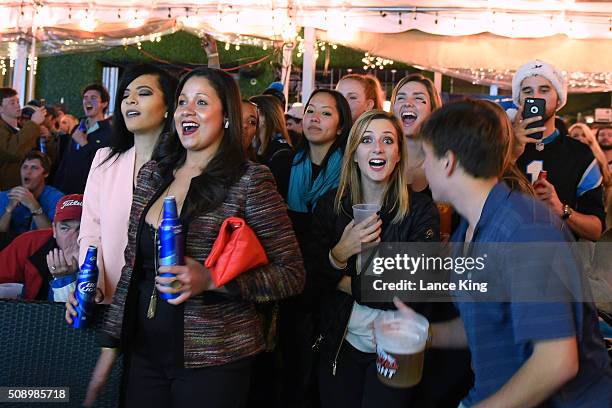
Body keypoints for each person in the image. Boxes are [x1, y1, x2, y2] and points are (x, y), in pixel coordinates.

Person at [80, 67, 304, 407]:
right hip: (145, 354)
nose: (188, 110)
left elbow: (291, 274)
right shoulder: (154, 174)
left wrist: (213, 279)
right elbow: (131, 270)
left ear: (226, 116)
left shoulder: (249, 181)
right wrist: (110, 347)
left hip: (215, 359)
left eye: (201, 102)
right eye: (183, 101)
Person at [410, 98, 612, 407]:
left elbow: (557, 361)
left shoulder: (525, 231)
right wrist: (425, 334)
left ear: (448, 161)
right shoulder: (471, 226)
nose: (422, 165)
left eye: (426, 156)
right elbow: (488, 320)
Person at [311, 110, 469, 407]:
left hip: (396, 350)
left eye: (387, 140)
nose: (378, 148)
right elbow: (308, 281)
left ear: (398, 154)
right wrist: (339, 253)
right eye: (367, 140)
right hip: (341, 345)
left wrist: (348, 281)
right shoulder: (331, 207)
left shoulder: (421, 211)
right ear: (354, 153)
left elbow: (414, 292)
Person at [61, 63, 177, 405]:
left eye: (143, 93)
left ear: (169, 105)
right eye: (126, 95)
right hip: (106, 300)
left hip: (159, 306)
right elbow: (90, 232)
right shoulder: (103, 159)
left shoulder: (181, 164)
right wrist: (90, 283)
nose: (131, 102)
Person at [277, 89, 352, 408]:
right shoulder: (281, 164)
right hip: (286, 285)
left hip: (329, 288)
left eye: (325, 113)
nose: (314, 118)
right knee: (285, 373)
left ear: (340, 125)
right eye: (310, 111)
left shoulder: (350, 175)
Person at [512, 60, 605, 241]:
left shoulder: (580, 154)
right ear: (519, 99)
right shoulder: (498, 147)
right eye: (527, 91)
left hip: (557, 263)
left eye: (544, 90)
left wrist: (559, 208)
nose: (536, 97)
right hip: (502, 260)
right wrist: (511, 153)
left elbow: (596, 229)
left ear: (559, 97)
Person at [0, 194, 83, 301]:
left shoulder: (104, 256)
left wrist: (65, 280)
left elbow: (78, 315)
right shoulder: (30, 243)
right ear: (54, 230)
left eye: (80, 229)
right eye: (64, 228)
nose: (73, 237)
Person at [52, 84, 112, 194]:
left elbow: (103, 166)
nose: (87, 101)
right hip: (65, 192)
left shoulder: (109, 133)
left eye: (93, 98)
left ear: (104, 103)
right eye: (85, 98)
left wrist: (84, 144)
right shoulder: (77, 127)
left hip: (88, 194)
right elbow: (66, 160)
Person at [391, 73, 442, 193]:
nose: (407, 103)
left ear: (433, 110)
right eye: (401, 98)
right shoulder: (380, 157)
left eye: (418, 98)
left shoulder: (445, 162)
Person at [0, 150, 64, 234]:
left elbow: (53, 236)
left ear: (46, 173)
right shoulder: (5, 196)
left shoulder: (57, 199)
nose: (28, 172)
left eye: (34, 168)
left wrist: (34, 207)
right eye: (25, 167)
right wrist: (8, 210)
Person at [0, 87, 46, 190]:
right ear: (1, 108)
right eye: (12, 103)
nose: (18, 105)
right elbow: (13, 151)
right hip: (7, 190)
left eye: (17, 101)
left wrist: (46, 139)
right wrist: (33, 123)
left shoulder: (22, 129)